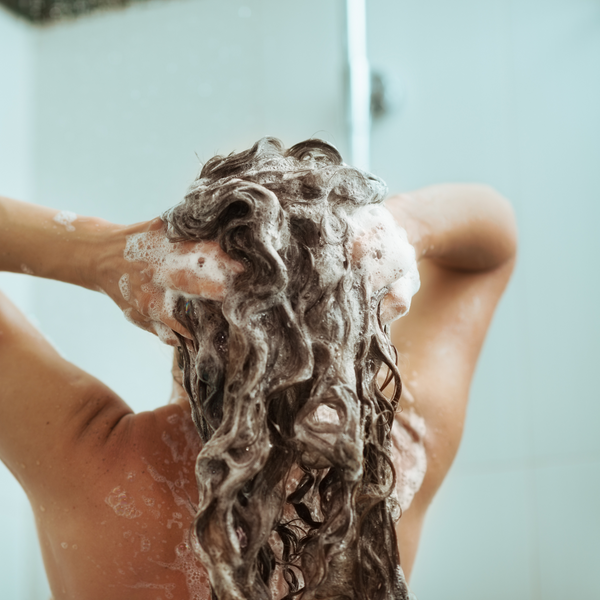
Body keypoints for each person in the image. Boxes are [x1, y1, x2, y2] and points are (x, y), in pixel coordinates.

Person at [0, 138, 517, 600]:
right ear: (352, 328)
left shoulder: (96, 464)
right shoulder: (396, 459)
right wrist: (396, 230)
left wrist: (105, 253)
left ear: (178, 312)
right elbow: (495, 241)